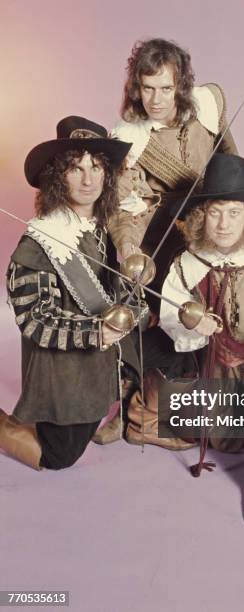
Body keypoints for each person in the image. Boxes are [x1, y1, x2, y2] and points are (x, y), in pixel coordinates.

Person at [95, 37, 238, 445]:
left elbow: (233, 166)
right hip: (157, 233)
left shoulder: (209, 107)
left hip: (209, 226)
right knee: (146, 321)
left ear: (181, 86)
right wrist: (130, 250)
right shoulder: (127, 136)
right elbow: (124, 207)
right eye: (147, 87)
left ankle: (162, 413)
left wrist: (237, 216)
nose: (155, 99)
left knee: (210, 322)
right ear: (135, 87)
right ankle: (129, 411)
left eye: (165, 88)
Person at [160, 153, 244, 519]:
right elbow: (169, 314)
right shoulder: (188, 262)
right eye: (216, 211)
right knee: (171, 409)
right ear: (203, 215)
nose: (223, 223)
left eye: (234, 212)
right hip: (212, 363)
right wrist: (192, 325)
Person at [0, 116, 139, 470]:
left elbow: (111, 290)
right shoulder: (39, 241)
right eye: (76, 169)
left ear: (107, 175)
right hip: (60, 368)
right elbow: (35, 319)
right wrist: (98, 331)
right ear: (58, 177)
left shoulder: (98, 229)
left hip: (96, 362)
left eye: (96, 167)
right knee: (59, 457)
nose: (88, 179)